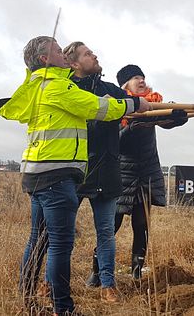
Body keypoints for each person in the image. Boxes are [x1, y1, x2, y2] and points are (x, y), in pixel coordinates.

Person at [0, 36, 151, 315]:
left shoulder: (35, 87)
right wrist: (134, 105)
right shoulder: (57, 86)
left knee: (39, 237)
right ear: (45, 59)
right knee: (59, 244)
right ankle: (62, 308)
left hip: (37, 174)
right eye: (58, 50)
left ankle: (27, 296)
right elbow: (99, 108)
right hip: (57, 174)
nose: (63, 55)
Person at [61, 41, 130, 302]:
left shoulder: (109, 89)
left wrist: (171, 116)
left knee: (105, 231)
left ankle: (107, 285)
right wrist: (102, 110)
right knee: (62, 233)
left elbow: (139, 109)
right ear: (75, 64)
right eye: (88, 54)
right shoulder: (66, 91)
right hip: (74, 171)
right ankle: (50, 282)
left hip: (107, 169)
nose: (95, 55)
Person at [114, 64, 187, 279]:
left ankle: (136, 271)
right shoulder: (116, 106)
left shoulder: (153, 105)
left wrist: (177, 117)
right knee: (112, 224)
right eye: (136, 77)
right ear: (125, 84)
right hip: (122, 175)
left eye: (143, 76)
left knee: (141, 224)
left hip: (146, 174)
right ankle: (98, 271)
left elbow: (165, 122)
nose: (142, 80)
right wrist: (130, 129)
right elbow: (116, 143)